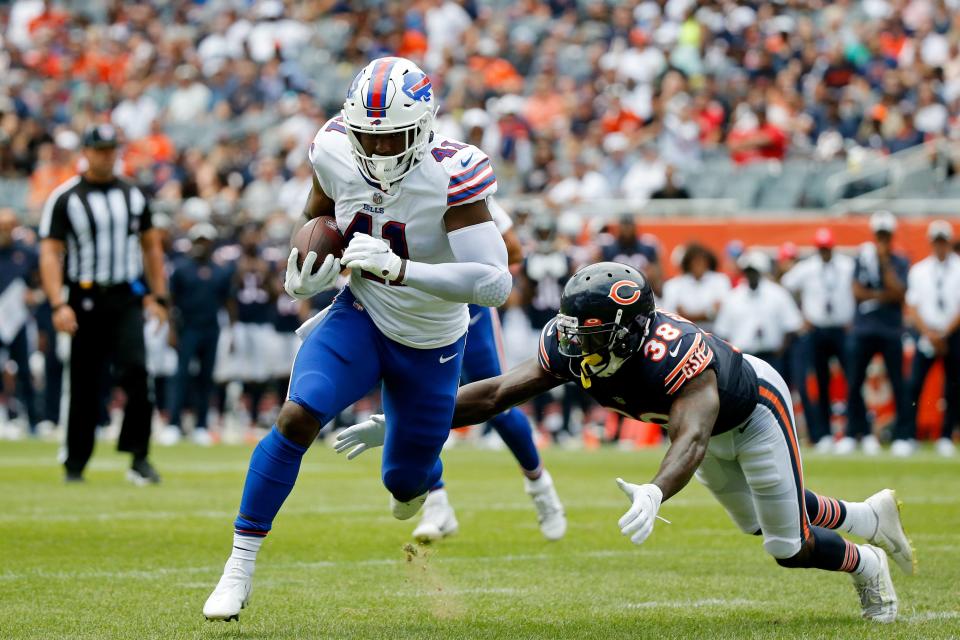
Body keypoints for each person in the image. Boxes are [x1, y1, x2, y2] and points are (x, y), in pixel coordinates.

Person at [346, 262, 913, 623]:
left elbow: (690, 438)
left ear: (628, 328)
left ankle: (866, 564)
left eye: (590, 327)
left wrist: (656, 492)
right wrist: (410, 423)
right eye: (573, 324)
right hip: (705, 433)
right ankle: (868, 516)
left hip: (753, 412)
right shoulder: (573, 344)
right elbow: (495, 393)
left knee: (786, 546)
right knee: (761, 520)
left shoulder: (674, 356)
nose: (574, 336)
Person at [203, 56, 512, 621]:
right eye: (369, 138)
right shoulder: (333, 147)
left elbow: (493, 284)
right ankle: (239, 565)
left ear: (423, 128)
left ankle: (405, 449)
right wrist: (299, 271)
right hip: (362, 314)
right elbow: (316, 217)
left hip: (432, 339)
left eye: (393, 138)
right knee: (298, 415)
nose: (379, 152)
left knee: (405, 486)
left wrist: (403, 270)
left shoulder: (454, 171)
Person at [338, 197, 566, 543]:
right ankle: (437, 502)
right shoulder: (378, 190)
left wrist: (455, 272)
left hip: (464, 311)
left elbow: (512, 253)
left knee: (497, 401)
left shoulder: (457, 185)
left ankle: (541, 489)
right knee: (414, 403)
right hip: (407, 313)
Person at [37, 124, 167, 484]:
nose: (106, 156)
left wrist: (158, 297)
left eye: (111, 149)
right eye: (100, 150)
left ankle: (138, 456)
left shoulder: (134, 196)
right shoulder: (65, 198)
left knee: (138, 373)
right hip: (84, 298)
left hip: (126, 297)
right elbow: (50, 253)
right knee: (83, 382)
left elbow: (151, 247)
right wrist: (57, 303)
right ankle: (75, 463)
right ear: (86, 152)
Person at [781, 228, 856, 452]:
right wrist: (798, 317)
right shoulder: (807, 268)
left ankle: (853, 432)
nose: (824, 252)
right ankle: (823, 434)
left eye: (827, 248)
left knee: (852, 379)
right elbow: (784, 285)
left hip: (842, 328)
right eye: (821, 248)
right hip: (817, 329)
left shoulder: (847, 266)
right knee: (821, 382)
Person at [841, 211, 910, 456]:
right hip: (864, 328)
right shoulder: (863, 258)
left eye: (885, 235)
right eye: (878, 234)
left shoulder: (899, 261)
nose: (881, 239)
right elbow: (857, 291)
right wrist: (881, 297)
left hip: (890, 329)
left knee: (898, 382)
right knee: (854, 381)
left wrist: (883, 263)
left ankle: (903, 435)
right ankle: (855, 432)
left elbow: (899, 293)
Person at [160, 223, 233, 446]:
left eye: (205, 240)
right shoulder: (181, 268)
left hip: (211, 328)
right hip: (187, 327)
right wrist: (171, 331)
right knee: (181, 376)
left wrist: (232, 331)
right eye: (198, 240)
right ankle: (173, 423)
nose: (202, 245)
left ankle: (201, 425)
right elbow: (171, 301)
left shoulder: (219, 270)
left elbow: (228, 301)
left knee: (206, 378)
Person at [903, 220, 960, 457]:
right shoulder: (919, 270)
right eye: (936, 242)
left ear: (948, 243)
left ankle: (946, 435)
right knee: (915, 383)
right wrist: (928, 333)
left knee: (954, 386)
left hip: (953, 333)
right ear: (931, 243)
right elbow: (913, 306)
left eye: (943, 242)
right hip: (927, 332)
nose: (940, 246)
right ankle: (908, 435)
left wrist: (945, 332)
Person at [714, 250, 803, 380]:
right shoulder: (733, 297)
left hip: (772, 357)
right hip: (744, 358)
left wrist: (781, 350)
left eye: (754, 271)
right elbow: (722, 332)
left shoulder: (778, 294)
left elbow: (792, 325)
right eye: (748, 271)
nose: (751, 275)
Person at [0, 209, 40, 435]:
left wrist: (35, 296)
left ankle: (32, 420)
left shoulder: (25, 253)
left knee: (24, 369)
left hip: (17, 319)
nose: (5, 231)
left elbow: (41, 282)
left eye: (9, 226)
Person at [659, 243, 729, 333]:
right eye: (694, 260)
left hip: (714, 335)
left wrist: (686, 315)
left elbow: (723, 311)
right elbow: (671, 315)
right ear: (687, 263)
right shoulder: (673, 285)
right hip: (684, 334)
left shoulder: (720, 280)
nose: (698, 264)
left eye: (701, 260)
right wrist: (709, 313)